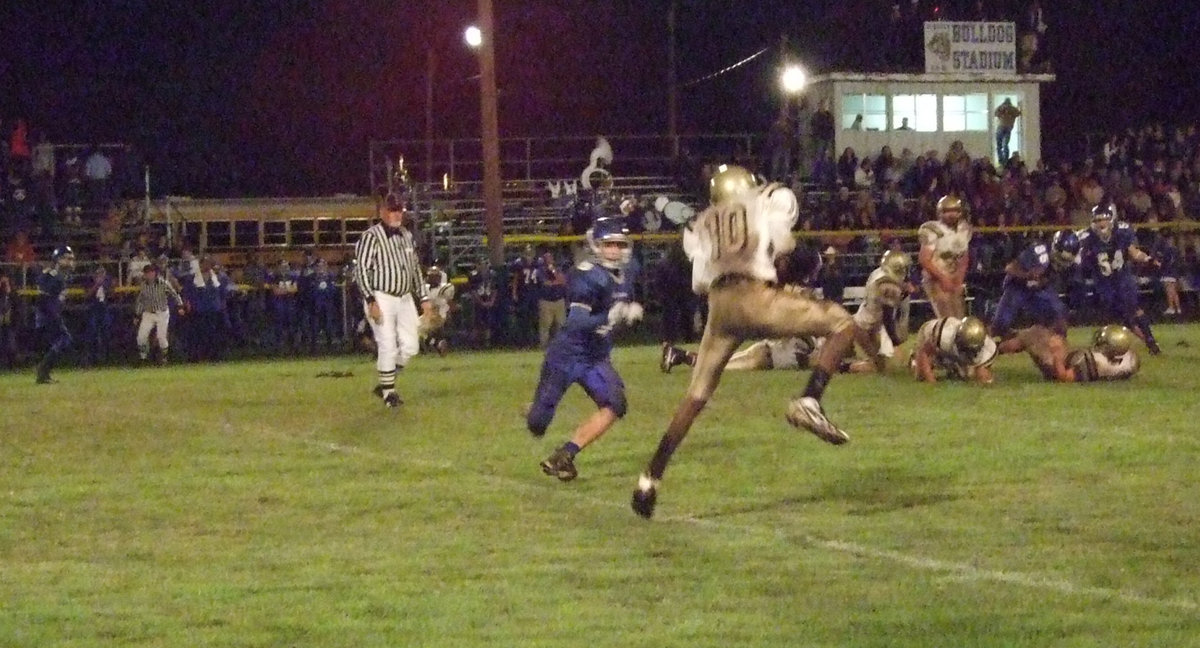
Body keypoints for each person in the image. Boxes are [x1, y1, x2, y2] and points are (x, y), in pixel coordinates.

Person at [630, 165, 858, 519]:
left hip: (720, 308)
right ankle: (810, 399)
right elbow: (786, 245)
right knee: (843, 324)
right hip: (756, 298)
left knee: (695, 397)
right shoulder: (768, 202)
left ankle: (649, 480)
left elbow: (699, 284)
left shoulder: (702, 223)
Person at [528, 216, 642, 481]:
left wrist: (626, 314)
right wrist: (612, 316)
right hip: (567, 354)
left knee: (616, 404)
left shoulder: (629, 270)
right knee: (537, 425)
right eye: (609, 244)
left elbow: (618, 307)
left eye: (619, 244)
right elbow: (578, 321)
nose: (615, 250)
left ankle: (565, 455)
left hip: (595, 356)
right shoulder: (586, 275)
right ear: (596, 246)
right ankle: (535, 409)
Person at [354, 192, 434, 408]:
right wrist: (371, 300)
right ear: (382, 212)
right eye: (392, 210)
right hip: (382, 295)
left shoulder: (406, 235)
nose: (396, 214)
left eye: (399, 210)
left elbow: (414, 268)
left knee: (411, 346)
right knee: (387, 343)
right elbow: (361, 270)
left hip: (405, 296)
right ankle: (389, 393)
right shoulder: (371, 236)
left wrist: (424, 298)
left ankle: (385, 382)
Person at [1077, 204, 1161, 355]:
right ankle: (1146, 341)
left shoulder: (1121, 232)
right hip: (1103, 283)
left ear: (1112, 220)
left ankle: (1151, 341)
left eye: (1104, 219)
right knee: (1123, 318)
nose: (1101, 223)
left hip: (1122, 278)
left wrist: (1147, 259)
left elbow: (1133, 252)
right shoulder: (1086, 237)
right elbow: (1077, 257)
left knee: (1134, 309)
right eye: (1097, 220)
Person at [989, 229, 1080, 340]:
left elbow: (1048, 278)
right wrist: (1028, 275)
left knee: (1060, 316)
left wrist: (1041, 281)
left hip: (1040, 289)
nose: (1062, 263)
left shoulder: (1065, 262)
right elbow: (1010, 268)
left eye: (1066, 260)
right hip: (1018, 287)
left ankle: (1056, 346)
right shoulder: (1038, 252)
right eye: (1061, 258)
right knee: (999, 326)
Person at [998, 324, 1140, 383]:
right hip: (1071, 359)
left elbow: (1063, 377)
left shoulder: (1089, 362)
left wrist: (1057, 355)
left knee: (1032, 335)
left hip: (1059, 366)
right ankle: (1008, 340)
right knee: (1041, 331)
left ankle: (994, 350)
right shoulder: (1130, 362)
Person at [846, 250, 913, 373]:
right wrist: (895, 342)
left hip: (868, 323)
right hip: (864, 327)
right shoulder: (888, 286)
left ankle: (845, 364)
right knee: (877, 366)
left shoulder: (879, 273)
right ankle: (842, 367)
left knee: (881, 366)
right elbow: (887, 318)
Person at [918, 194, 972, 319]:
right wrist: (942, 278)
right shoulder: (932, 229)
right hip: (936, 276)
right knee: (947, 319)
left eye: (955, 210)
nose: (951, 214)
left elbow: (964, 257)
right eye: (947, 211)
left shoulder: (964, 228)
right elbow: (924, 259)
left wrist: (959, 277)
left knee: (959, 318)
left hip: (954, 274)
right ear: (940, 213)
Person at [910, 315, 996, 384]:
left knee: (965, 376)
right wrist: (932, 382)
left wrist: (985, 380)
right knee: (921, 376)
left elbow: (982, 371)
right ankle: (913, 359)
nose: (967, 351)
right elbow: (924, 351)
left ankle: (954, 368)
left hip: (951, 350)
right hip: (929, 335)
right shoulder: (944, 335)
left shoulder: (989, 349)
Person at [34, 247, 76, 384]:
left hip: (50, 312)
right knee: (64, 339)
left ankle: (44, 372)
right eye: (67, 258)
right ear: (59, 259)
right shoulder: (54, 275)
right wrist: (52, 314)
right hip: (48, 312)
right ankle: (42, 370)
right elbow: (44, 295)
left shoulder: (61, 275)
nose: (70, 262)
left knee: (60, 341)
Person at [134, 264, 182, 364]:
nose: (149, 275)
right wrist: (137, 315)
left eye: (151, 272)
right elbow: (140, 301)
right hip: (148, 313)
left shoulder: (163, 283)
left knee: (161, 337)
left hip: (162, 312)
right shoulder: (144, 285)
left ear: (154, 273)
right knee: (141, 336)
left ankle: (164, 357)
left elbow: (174, 294)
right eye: (147, 273)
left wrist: (180, 306)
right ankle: (143, 357)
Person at [533, 250, 567, 348]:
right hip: (546, 301)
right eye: (547, 258)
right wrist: (557, 282)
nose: (549, 260)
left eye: (550, 258)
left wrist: (553, 271)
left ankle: (561, 345)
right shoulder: (540, 270)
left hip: (559, 300)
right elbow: (546, 283)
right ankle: (543, 345)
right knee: (545, 325)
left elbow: (563, 281)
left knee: (561, 324)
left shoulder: (557, 269)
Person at [82, 266, 115, 366]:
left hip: (105, 308)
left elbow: (111, 295)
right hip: (93, 308)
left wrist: (108, 287)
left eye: (102, 274)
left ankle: (105, 358)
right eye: (98, 274)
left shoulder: (107, 282)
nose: (100, 276)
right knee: (92, 333)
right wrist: (96, 285)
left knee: (106, 332)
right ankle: (91, 357)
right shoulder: (90, 282)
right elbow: (86, 295)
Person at [421, 265, 455, 355]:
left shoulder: (444, 288)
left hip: (440, 315)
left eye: (435, 276)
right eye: (431, 276)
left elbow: (450, 303)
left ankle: (436, 343)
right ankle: (437, 344)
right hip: (429, 315)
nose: (432, 278)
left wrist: (449, 313)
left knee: (422, 329)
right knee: (418, 330)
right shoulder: (425, 288)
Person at [994, 99, 1021, 164]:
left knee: (999, 145)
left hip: (1001, 127)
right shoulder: (1013, 109)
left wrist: (1002, 107)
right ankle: (1005, 160)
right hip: (1008, 127)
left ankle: (1001, 160)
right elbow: (1018, 113)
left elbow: (995, 113)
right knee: (1005, 144)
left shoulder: (1001, 108)